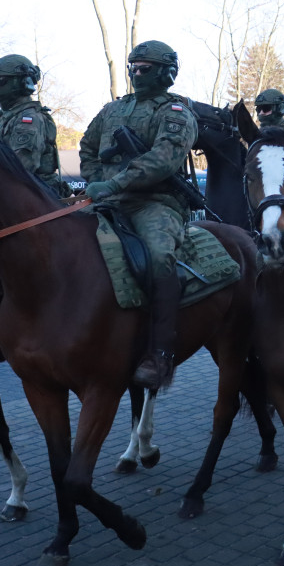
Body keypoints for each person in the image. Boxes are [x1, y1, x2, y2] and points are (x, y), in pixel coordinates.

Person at [78, 40, 198, 389]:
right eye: (133, 67)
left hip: (154, 203)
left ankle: (160, 353)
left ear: (165, 73)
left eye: (145, 68)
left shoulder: (175, 112)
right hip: (108, 200)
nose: (136, 74)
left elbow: (163, 159)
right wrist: (95, 180)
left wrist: (114, 184)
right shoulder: (112, 110)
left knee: (159, 256)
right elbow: (87, 146)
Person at [0, 54, 72, 198]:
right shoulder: (3, 118)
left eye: (0, 81)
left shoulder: (29, 120)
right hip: (15, 195)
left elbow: (19, 169)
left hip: (36, 200)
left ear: (23, 82)